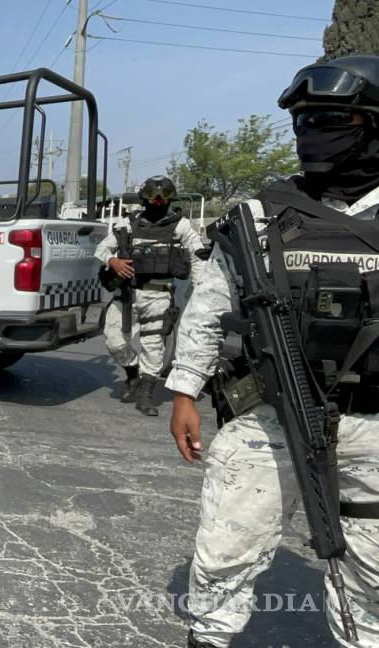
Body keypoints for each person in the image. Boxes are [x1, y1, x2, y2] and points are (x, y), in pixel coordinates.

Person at [168, 55, 379, 647]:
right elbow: (209, 307)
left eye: (332, 120)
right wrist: (185, 390)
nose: (311, 134)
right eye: (303, 122)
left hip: (376, 424)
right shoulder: (260, 215)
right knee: (224, 556)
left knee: (372, 579)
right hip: (271, 418)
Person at [95, 175, 205, 416]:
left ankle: (145, 393)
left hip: (159, 295)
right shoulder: (128, 224)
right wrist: (113, 261)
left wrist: (199, 289)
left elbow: (197, 256)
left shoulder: (180, 226)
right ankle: (133, 374)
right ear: (144, 199)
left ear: (170, 199)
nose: (158, 202)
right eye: (153, 197)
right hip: (127, 295)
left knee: (153, 346)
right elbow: (101, 248)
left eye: (163, 197)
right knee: (114, 341)